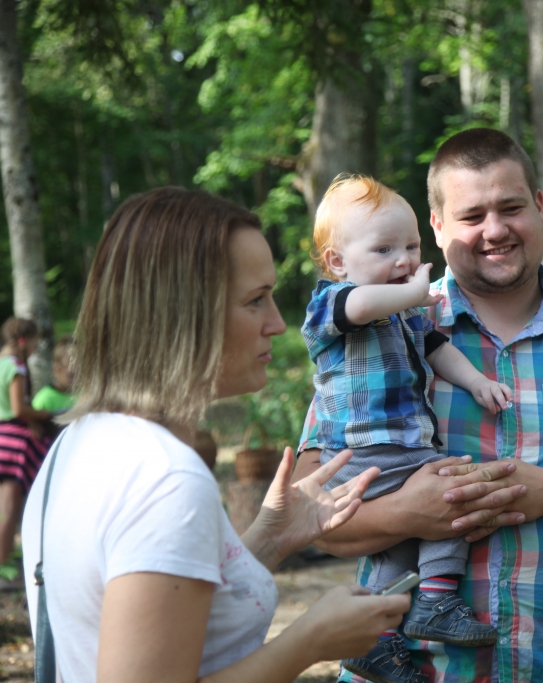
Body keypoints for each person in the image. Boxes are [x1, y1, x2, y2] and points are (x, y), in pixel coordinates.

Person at [293, 127, 543, 683]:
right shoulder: (373, 337)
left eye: (510, 208)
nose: (495, 230)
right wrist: (407, 513)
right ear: (436, 227)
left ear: (541, 206)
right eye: (472, 215)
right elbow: (310, 511)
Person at [20, 187, 411, 683]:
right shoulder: (166, 479)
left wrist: (269, 539)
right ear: (184, 314)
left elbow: (160, 602)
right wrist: (310, 639)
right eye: (255, 301)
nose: (276, 323)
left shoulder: (78, 445)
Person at [302, 175, 512, 661]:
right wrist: (414, 292)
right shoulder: (331, 303)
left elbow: (437, 349)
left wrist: (477, 381)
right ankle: (436, 600)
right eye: (383, 250)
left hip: (407, 448)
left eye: (412, 246)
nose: (404, 260)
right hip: (361, 453)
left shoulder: (407, 311)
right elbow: (361, 305)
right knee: (454, 492)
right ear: (338, 262)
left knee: (397, 544)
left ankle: (377, 638)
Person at [0, 317, 53, 572]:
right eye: (34, 342)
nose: (34, 348)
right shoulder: (16, 367)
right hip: (12, 441)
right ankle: (3, 564)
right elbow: (18, 407)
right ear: (25, 340)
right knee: (9, 506)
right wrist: (42, 415)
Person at [31, 335, 76, 416]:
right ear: (56, 369)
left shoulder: (85, 395)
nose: (77, 378)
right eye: (71, 374)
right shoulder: (44, 399)